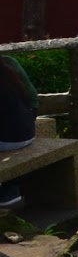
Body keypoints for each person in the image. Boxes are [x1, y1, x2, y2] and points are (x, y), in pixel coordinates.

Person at [0, 55, 40, 210]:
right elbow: (33, 99)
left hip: (7, 140)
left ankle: (10, 189)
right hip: (27, 132)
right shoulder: (9, 62)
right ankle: (12, 186)